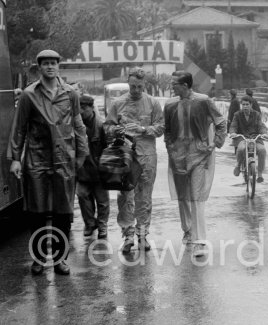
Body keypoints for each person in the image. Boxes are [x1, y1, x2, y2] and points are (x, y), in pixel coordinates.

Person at [8, 49, 89, 275]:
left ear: (58, 66)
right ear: (39, 67)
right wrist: (15, 159)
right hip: (37, 158)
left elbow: (78, 124)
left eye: (54, 63)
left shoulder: (70, 93)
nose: (50, 67)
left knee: (63, 211)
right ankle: (39, 258)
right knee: (37, 211)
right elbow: (19, 128)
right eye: (46, 63)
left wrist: (82, 154)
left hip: (64, 159)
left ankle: (60, 259)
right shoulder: (28, 94)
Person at [164, 71, 226, 257]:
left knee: (196, 197)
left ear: (185, 85)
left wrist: (215, 143)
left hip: (198, 154)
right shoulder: (170, 105)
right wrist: (169, 146)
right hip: (177, 156)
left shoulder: (203, 101)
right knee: (183, 196)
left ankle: (200, 241)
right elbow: (167, 129)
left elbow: (221, 122)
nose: (172, 86)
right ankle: (188, 231)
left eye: (174, 83)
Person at [104, 67, 164, 253]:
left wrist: (144, 129)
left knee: (144, 195)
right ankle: (128, 234)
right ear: (128, 84)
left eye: (139, 86)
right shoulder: (118, 103)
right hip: (124, 156)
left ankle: (142, 234)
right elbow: (107, 126)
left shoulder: (153, 103)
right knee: (125, 196)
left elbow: (161, 127)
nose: (136, 90)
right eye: (132, 86)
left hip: (146, 155)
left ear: (144, 85)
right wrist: (115, 130)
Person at [76, 94, 109, 240]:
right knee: (82, 195)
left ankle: (102, 226)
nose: (81, 112)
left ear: (91, 108)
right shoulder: (75, 125)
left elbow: (108, 149)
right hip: (82, 170)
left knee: (102, 201)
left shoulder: (102, 126)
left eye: (84, 108)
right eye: (79, 108)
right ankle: (89, 223)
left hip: (99, 171)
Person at [229, 95, 268, 183]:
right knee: (241, 148)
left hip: (255, 138)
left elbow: (261, 126)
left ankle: (260, 173)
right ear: (241, 105)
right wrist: (233, 133)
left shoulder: (256, 114)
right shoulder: (237, 115)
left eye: (247, 104)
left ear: (251, 105)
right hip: (242, 138)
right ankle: (238, 165)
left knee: (262, 150)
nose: (245, 106)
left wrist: (264, 133)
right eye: (243, 104)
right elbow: (233, 126)